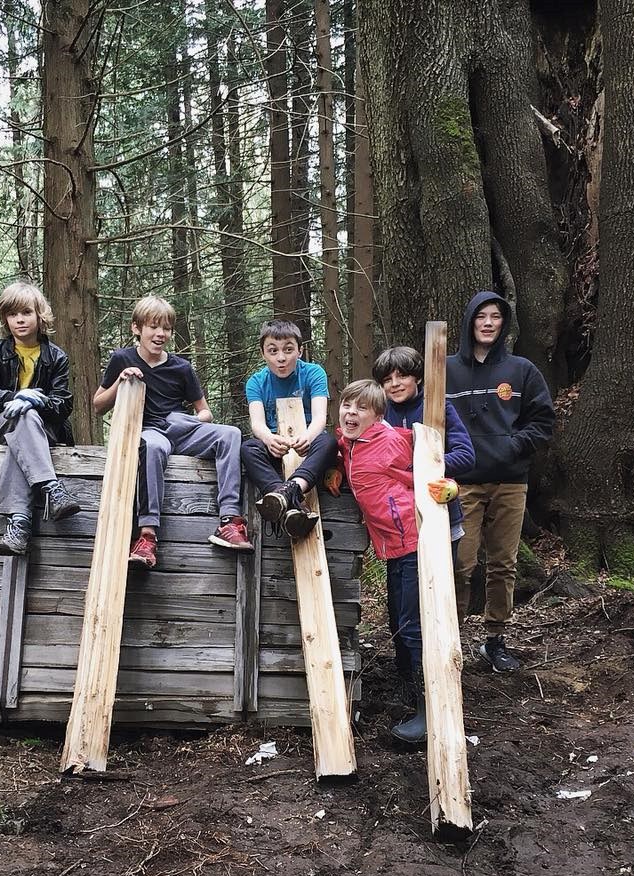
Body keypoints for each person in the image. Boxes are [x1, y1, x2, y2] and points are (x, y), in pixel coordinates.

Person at [334, 379, 455, 744]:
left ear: (378, 415)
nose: (352, 414)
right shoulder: (348, 443)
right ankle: (409, 690)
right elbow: (346, 457)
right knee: (397, 621)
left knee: (413, 625)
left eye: (362, 409)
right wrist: (335, 473)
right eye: (347, 406)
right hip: (391, 546)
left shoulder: (391, 440)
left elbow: (431, 460)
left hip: (414, 541)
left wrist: (447, 481)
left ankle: (429, 711)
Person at [94, 295, 254, 569]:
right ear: (137, 328)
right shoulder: (122, 359)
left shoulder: (181, 367)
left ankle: (229, 521)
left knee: (230, 434)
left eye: (166, 328)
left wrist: (187, 420)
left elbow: (205, 412)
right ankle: (147, 537)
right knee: (153, 447)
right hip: (145, 431)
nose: (160, 334)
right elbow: (98, 405)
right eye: (153, 327)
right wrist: (120, 382)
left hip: (178, 429)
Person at [445, 292, 555, 673]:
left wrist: (513, 446)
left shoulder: (522, 370)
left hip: (509, 481)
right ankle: (451, 639)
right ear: (470, 322)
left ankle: (495, 639)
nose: (488, 323)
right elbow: (428, 420)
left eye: (495, 317)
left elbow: (542, 421)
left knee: (503, 564)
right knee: (460, 562)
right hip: (462, 483)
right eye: (481, 317)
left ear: (503, 324)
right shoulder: (445, 370)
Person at [371, 345, 475, 686]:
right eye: (387, 379)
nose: (395, 384)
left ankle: (438, 680)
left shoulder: (437, 408)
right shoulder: (380, 414)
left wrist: (437, 472)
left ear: (417, 376)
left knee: (431, 605)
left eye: (402, 376)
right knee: (400, 610)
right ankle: (407, 680)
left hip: (440, 522)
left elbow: (466, 454)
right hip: (398, 529)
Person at [0, 281, 79, 557]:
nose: (19, 320)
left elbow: (63, 405)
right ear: (5, 319)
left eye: (26, 313)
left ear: (39, 316)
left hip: (45, 427)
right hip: (2, 422)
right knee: (21, 418)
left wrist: (36, 400)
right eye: (12, 314)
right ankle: (52, 488)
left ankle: (18, 525)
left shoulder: (56, 356)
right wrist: (14, 398)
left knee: (25, 423)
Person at [240, 320, 337, 539]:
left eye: (288, 350)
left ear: (300, 351)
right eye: (273, 351)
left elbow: (320, 417)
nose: (281, 358)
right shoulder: (256, 382)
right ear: (263, 353)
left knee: (328, 442)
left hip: (308, 450)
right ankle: (284, 497)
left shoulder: (313, 373)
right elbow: (257, 424)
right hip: (276, 449)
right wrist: (269, 439)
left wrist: (308, 438)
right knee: (248, 448)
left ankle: (288, 491)